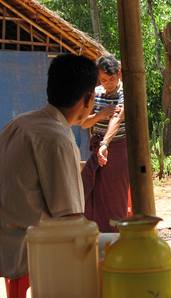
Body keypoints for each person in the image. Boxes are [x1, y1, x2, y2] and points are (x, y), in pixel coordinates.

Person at [0, 54, 98, 295]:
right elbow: (71, 218)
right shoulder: (58, 138)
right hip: (33, 255)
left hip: (8, 245)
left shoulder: (20, 124)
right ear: (87, 99)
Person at [81, 54, 130, 232]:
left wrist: (105, 144)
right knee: (86, 189)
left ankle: (115, 238)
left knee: (114, 197)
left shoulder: (126, 93)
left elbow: (116, 120)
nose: (108, 83)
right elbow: (84, 122)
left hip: (117, 150)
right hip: (98, 150)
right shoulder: (96, 93)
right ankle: (93, 232)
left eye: (111, 79)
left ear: (119, 74)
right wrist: (101, 114)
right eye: (103, 79)